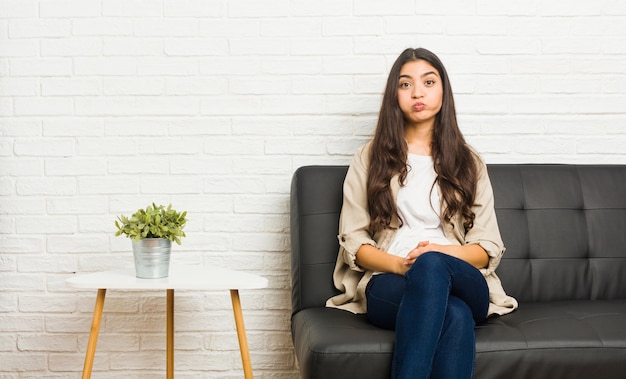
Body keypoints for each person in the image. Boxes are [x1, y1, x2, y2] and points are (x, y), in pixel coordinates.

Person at [326, 48, 518, 379]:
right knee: (454, 316)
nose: (417, 92)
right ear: (394, 95)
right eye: (405, 84)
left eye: (428, 82)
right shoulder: (369, 158)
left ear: (443, 90)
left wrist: (442, 255)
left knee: (432, 264)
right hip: (389, 280)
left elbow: (486, 246)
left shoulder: (468, 162)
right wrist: (401, 265)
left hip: (462, 276)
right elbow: (355, 240)